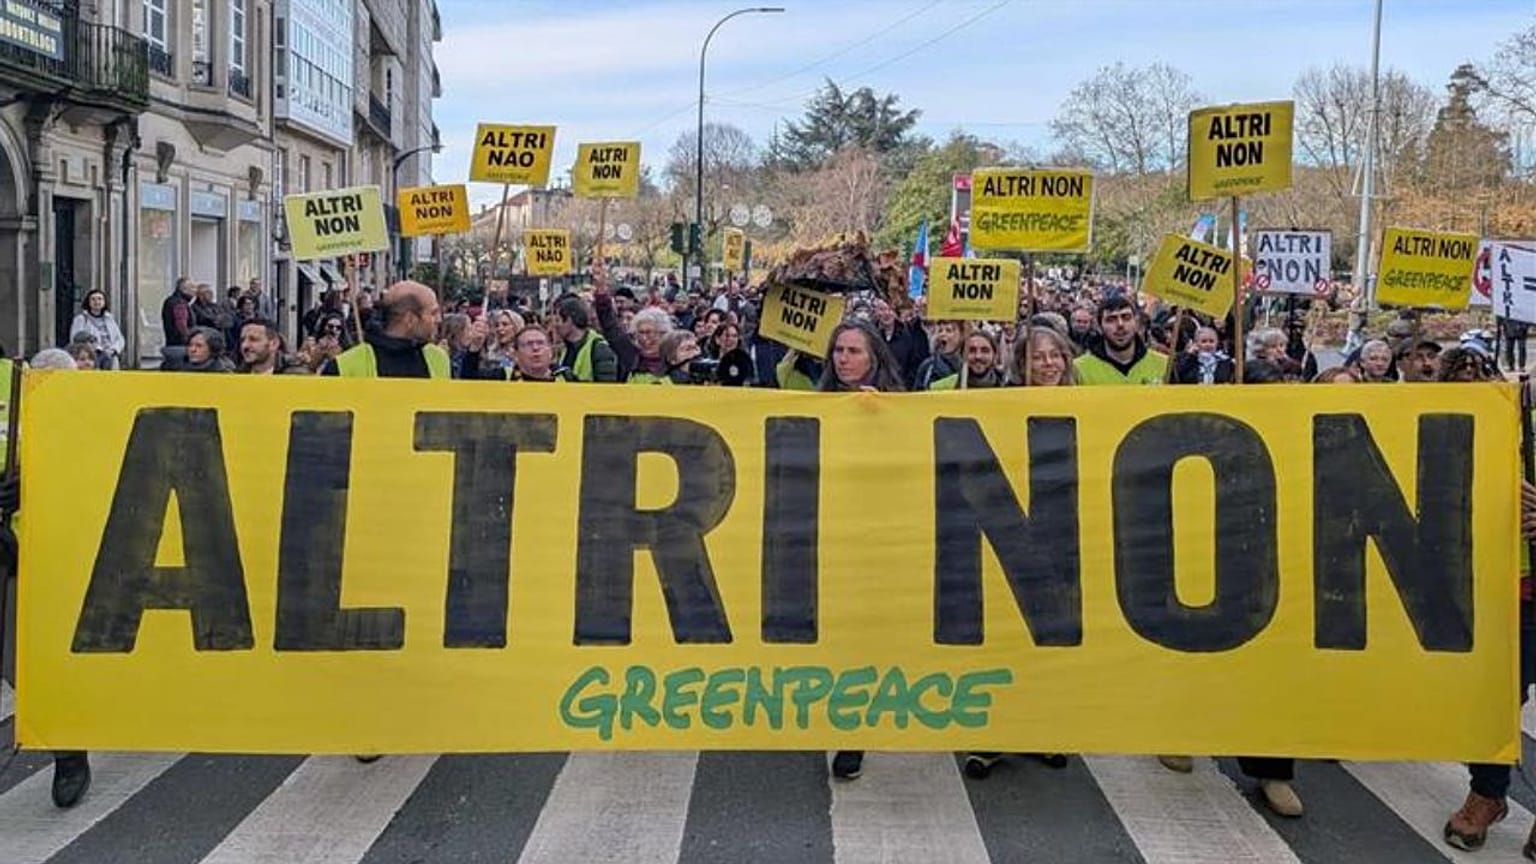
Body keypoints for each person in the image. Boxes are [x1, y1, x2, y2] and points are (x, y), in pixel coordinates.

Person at [2, 347, 94, 808]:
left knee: (25, 663)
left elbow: (86, 464)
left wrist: (34, 479)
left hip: (28, 552)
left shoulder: (27, 382)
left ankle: (68, 751)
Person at [818, 320, 905, 783]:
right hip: (829, 534)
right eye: (838, 351)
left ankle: (855, 730)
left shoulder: (898, 407)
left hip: (878, 539)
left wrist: (882, 418)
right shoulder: (817, 406)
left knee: (866, 636)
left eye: (853, 350)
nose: (844, 358)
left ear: (874, 357)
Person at [322, 281, 449, 379]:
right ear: (410, 319)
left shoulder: (439, 359)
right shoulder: (344, 366)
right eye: (433, 313)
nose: (438, 319)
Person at [1074, 295, 1168, 385]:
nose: (1120, 324)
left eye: (1126, 317)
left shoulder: (1164, 365)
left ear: (1136, 322)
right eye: (1111, 319)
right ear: (1099, 327)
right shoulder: (1079, 369)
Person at [549, 294, 618, 382]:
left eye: (558, 320)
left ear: (569, 320)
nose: (555, 325)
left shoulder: (599, 349)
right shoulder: (564, 349)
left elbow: (606, 387)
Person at [873, 298, 929, 389]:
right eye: (882, 309)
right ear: (875, 311)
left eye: (890, 309)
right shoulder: (870, 335)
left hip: (902, 390)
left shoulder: (909, 335)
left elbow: (914, 364)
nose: (886, 313)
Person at [928, 329, 1005, 390]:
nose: (978, 356)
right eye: (971, 350)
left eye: (985, 351)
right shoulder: (941, 388)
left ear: (995, 355)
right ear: (962, 355)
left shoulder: (1007, 386)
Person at [70, 289, 125, 369]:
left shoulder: (110, 318)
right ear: (88, 302)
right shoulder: (81, 319)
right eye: (93, 299)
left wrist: (114, 349)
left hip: (110, 355)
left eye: (100, 299)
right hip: (91, 356)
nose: (97, 302)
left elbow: (119, 338)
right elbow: (75, 338)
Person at [504, 325, 573, 382]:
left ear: (550, 351)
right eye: (529, 344)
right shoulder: (503, 376)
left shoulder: (567, 378)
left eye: (540, 343)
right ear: (516, 353)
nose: (535, 348)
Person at [236, 319, 304, 374]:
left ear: (274, 344)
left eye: (253, 339)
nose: (244, 345)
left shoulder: (296, 376)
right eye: (242, 340)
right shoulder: (234, 376)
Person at [625, 307, 673, 385]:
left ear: (662, 333)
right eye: (641, 332)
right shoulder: (634, 360)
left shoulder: (675, 360)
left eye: (648, 332)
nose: (644, 338)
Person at [913, 321, 964, 390]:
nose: (943, 334)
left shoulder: (968, 365)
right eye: (940, 331)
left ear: (961, 335)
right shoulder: (927, 367)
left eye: (948, 330)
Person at [160, 276, 195, 348]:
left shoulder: (171, 300)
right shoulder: (180, 304)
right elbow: (181, 326)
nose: (195, 291)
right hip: (180, 345)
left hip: (172, 343)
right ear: (184, 289)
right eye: (192, 287)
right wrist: (190, 342)